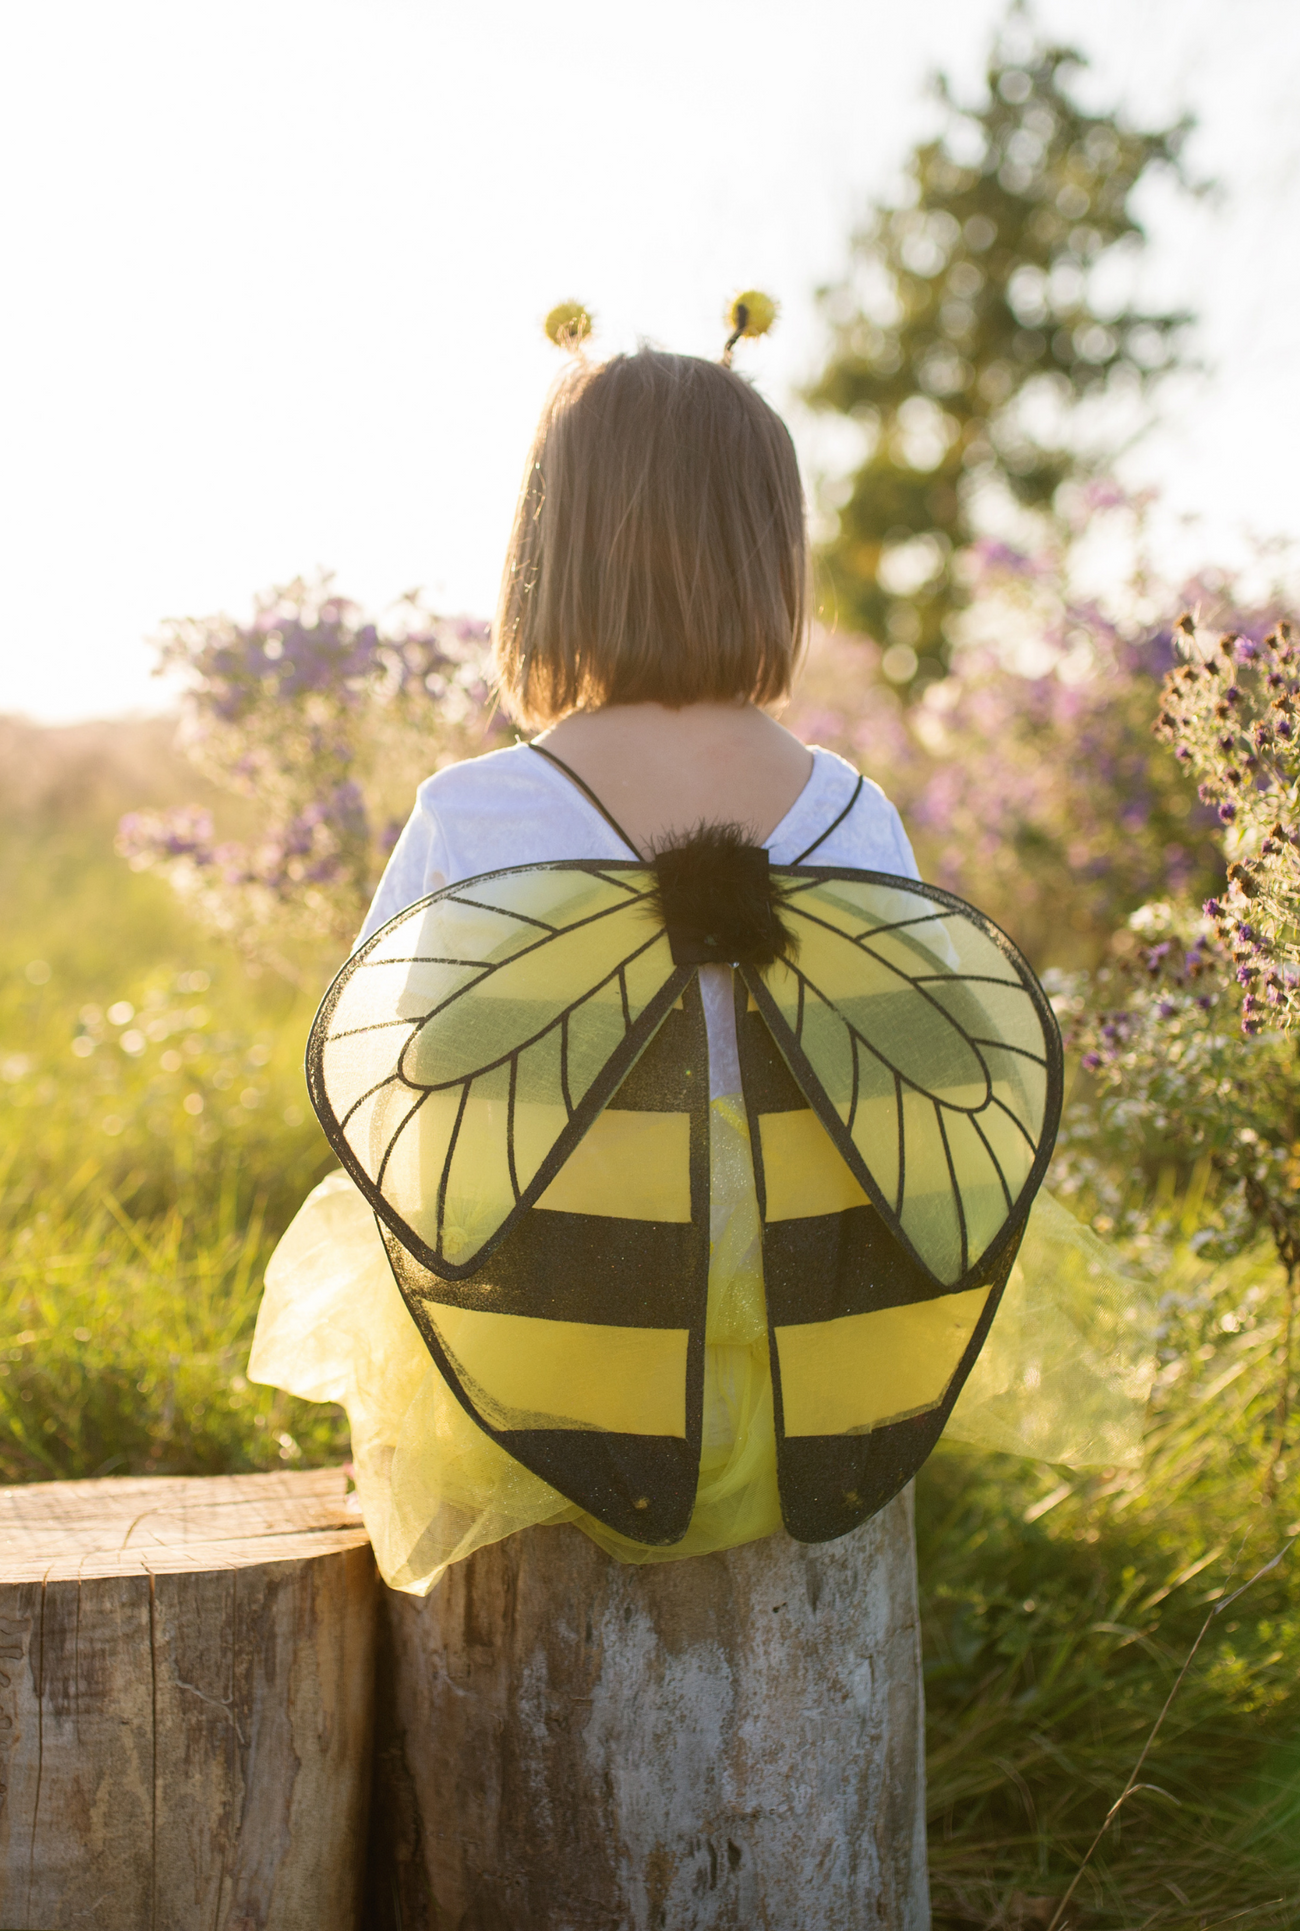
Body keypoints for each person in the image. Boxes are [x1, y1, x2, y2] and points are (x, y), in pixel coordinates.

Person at [249, 299, 1149, 1599]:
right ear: (770, 558)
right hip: (818, 1345)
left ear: (547, 559)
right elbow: (911, 1094)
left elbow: (398, 1091)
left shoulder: (478, 810)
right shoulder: (853, 808)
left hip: (556, 1336)